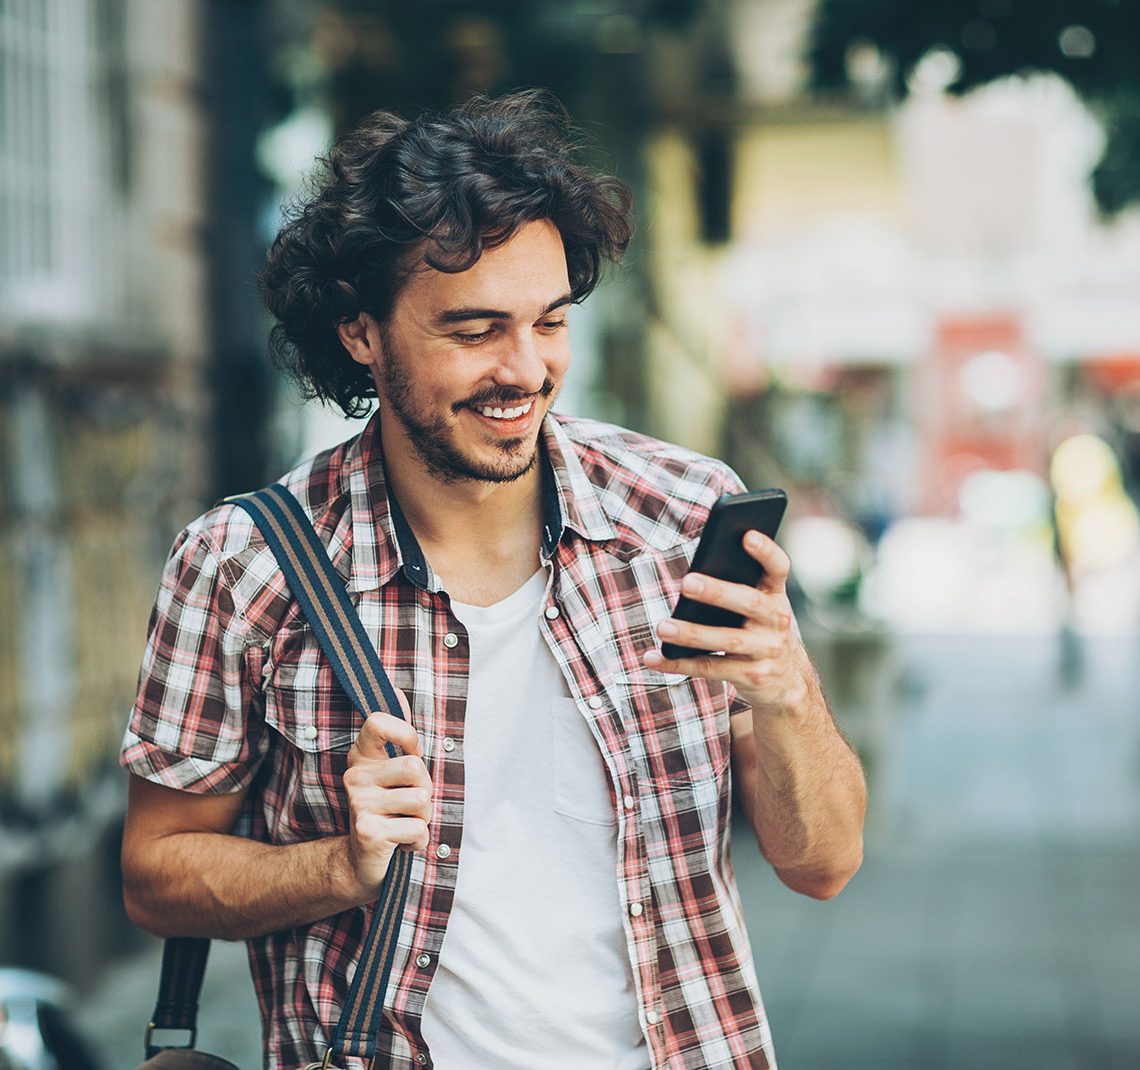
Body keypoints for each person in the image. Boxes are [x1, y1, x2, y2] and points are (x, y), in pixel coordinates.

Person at [119, 91, 866, 1070]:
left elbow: (823, 862)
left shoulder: (679, 516)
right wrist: (337, 866)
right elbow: (156, 873)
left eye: (550, 321)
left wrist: (787, 694)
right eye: (474, 330)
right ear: (360, 332)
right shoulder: (243, 565)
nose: (526, 369)